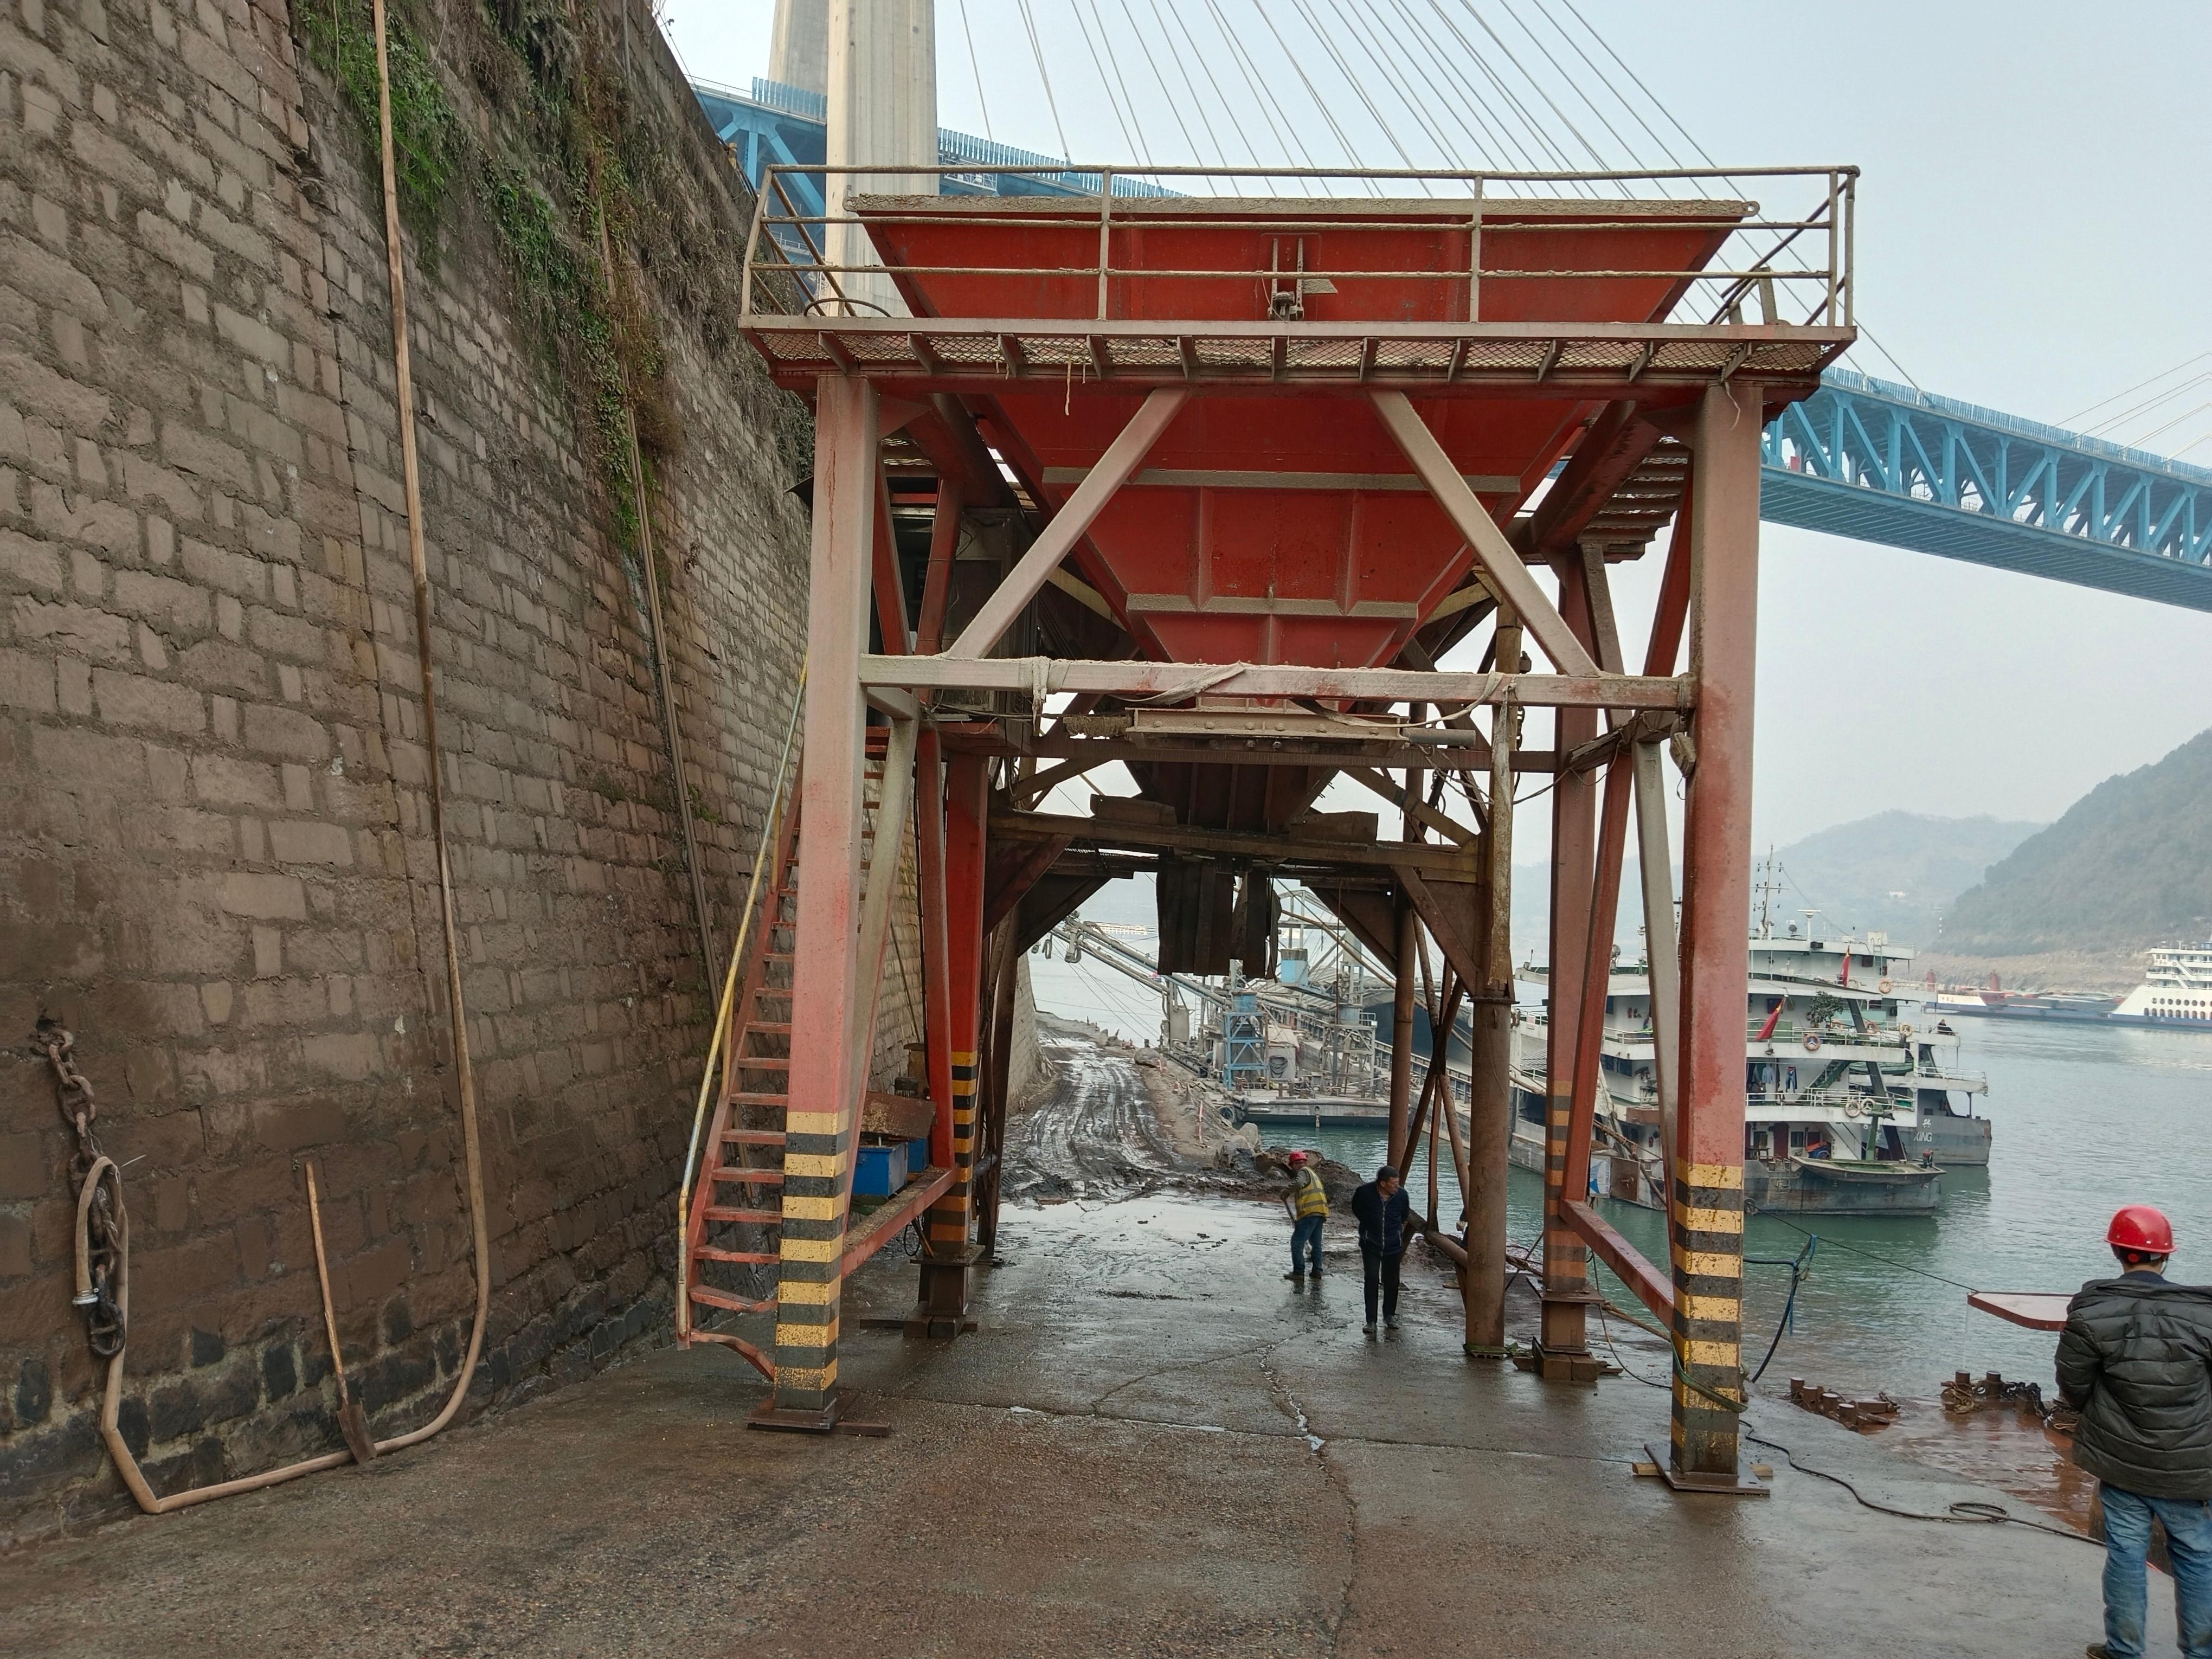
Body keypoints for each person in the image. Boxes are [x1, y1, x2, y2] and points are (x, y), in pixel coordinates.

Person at [2056, 1204, 2212, 1659]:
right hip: (2190, 1463)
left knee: (2126, 1551)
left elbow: (2073, 1384)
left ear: (2116, 1252)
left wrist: (2107, 1420)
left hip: (2122, 1460)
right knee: (2197, 1554)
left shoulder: (2093, 1310)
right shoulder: (2204, 1314)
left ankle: (2124, 1650)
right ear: (2166, 1256)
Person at [1349, 1164, 1420, 1337]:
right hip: (1370, 1244)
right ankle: (1371, 1320)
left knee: (1392, 1281)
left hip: (1393, 1244)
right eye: (1393, 1184)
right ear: (1382, 1183)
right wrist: (1369, 1227)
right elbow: (1357, 1210)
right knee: (1371, 1279)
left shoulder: (1401, 1195)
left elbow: (1404, 1215)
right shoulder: (1364, 1193)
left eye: (1398, 1183)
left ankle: (1390, 1316)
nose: (1397, 1187)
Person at [1282, 1151, 1328, 1283]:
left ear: (1294, 1165)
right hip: (1320, 1212)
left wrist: (1285, 1192)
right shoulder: (1312, 1174)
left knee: (1297, 1242)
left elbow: (1299, 1183)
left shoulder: (1302, 1172)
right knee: (1316, 1244)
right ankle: (1317, 1271)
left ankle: (1298, 1272)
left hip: (1309, 1213)